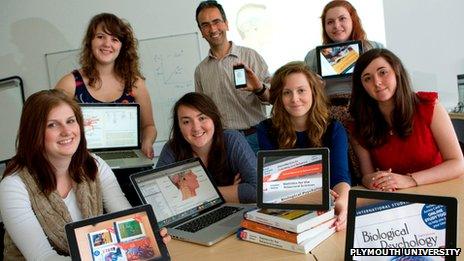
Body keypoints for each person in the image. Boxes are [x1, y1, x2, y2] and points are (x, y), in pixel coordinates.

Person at [0, 90, 170, 260]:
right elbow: (43, 258)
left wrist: (148, 236)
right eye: (52, 124)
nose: (67, 131)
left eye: (70, 121)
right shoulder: (13, 185)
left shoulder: (94, 164)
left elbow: (127, 218)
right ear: (33, 133)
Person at [349, 48, 464, 192]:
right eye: (367, 78)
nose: (377, 82)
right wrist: (372, 181)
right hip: (400, 199)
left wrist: (410, 180)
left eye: (383, 72)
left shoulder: (429, 106)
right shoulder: (359, 124)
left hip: (442, 190)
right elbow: (367, 175)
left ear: (397, 72)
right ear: (362, 87)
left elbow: (458, 163)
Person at [257, 61, 351, 231]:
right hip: (286, 213)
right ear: (279, 96)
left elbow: (341, 178)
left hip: (327, 210)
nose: (295, 99)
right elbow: (272, 187)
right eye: (287, 92)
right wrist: (314, 193)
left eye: (301, 90)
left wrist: (342, 204)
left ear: (313, 93)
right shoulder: (266, 130)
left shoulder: (334, 128)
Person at [55, 13, 156, 159]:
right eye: (100, 36)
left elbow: (149, 127)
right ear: (90, 41)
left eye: (114, 39)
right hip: (83, 162)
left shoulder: (135, 84)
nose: (107, 44)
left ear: (122, 46)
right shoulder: (70, 83)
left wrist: (147, 141)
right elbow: (53, 125)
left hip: (128, 162)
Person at [304, 0, 384, 181]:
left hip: (368, 115)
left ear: (353, 20)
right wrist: (314, 88)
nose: (336, 26)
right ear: (324, 27)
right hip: (330, 121)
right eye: (330, 22)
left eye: (342, 19)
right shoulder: (312, 57)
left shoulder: (374, 48)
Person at [194, 1, 272, 153]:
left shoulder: (251, 56)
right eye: (205, 25)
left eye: (217, 22)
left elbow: (273, 98)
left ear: (226, 24)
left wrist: (258, 88)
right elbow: (201, 113)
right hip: (223, 142)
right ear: (201, 32)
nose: (213, 29)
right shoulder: (200, 71)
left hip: (255, 137)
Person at [157, 92, 257, 203]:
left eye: (202, 118)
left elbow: (257, 191)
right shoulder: (172, 148)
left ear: (214, 119)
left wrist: (189, 193)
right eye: (186, 122)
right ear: (179, 127)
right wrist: (230, 194)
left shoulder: (232, 140)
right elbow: (158, 197)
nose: (196, 128)